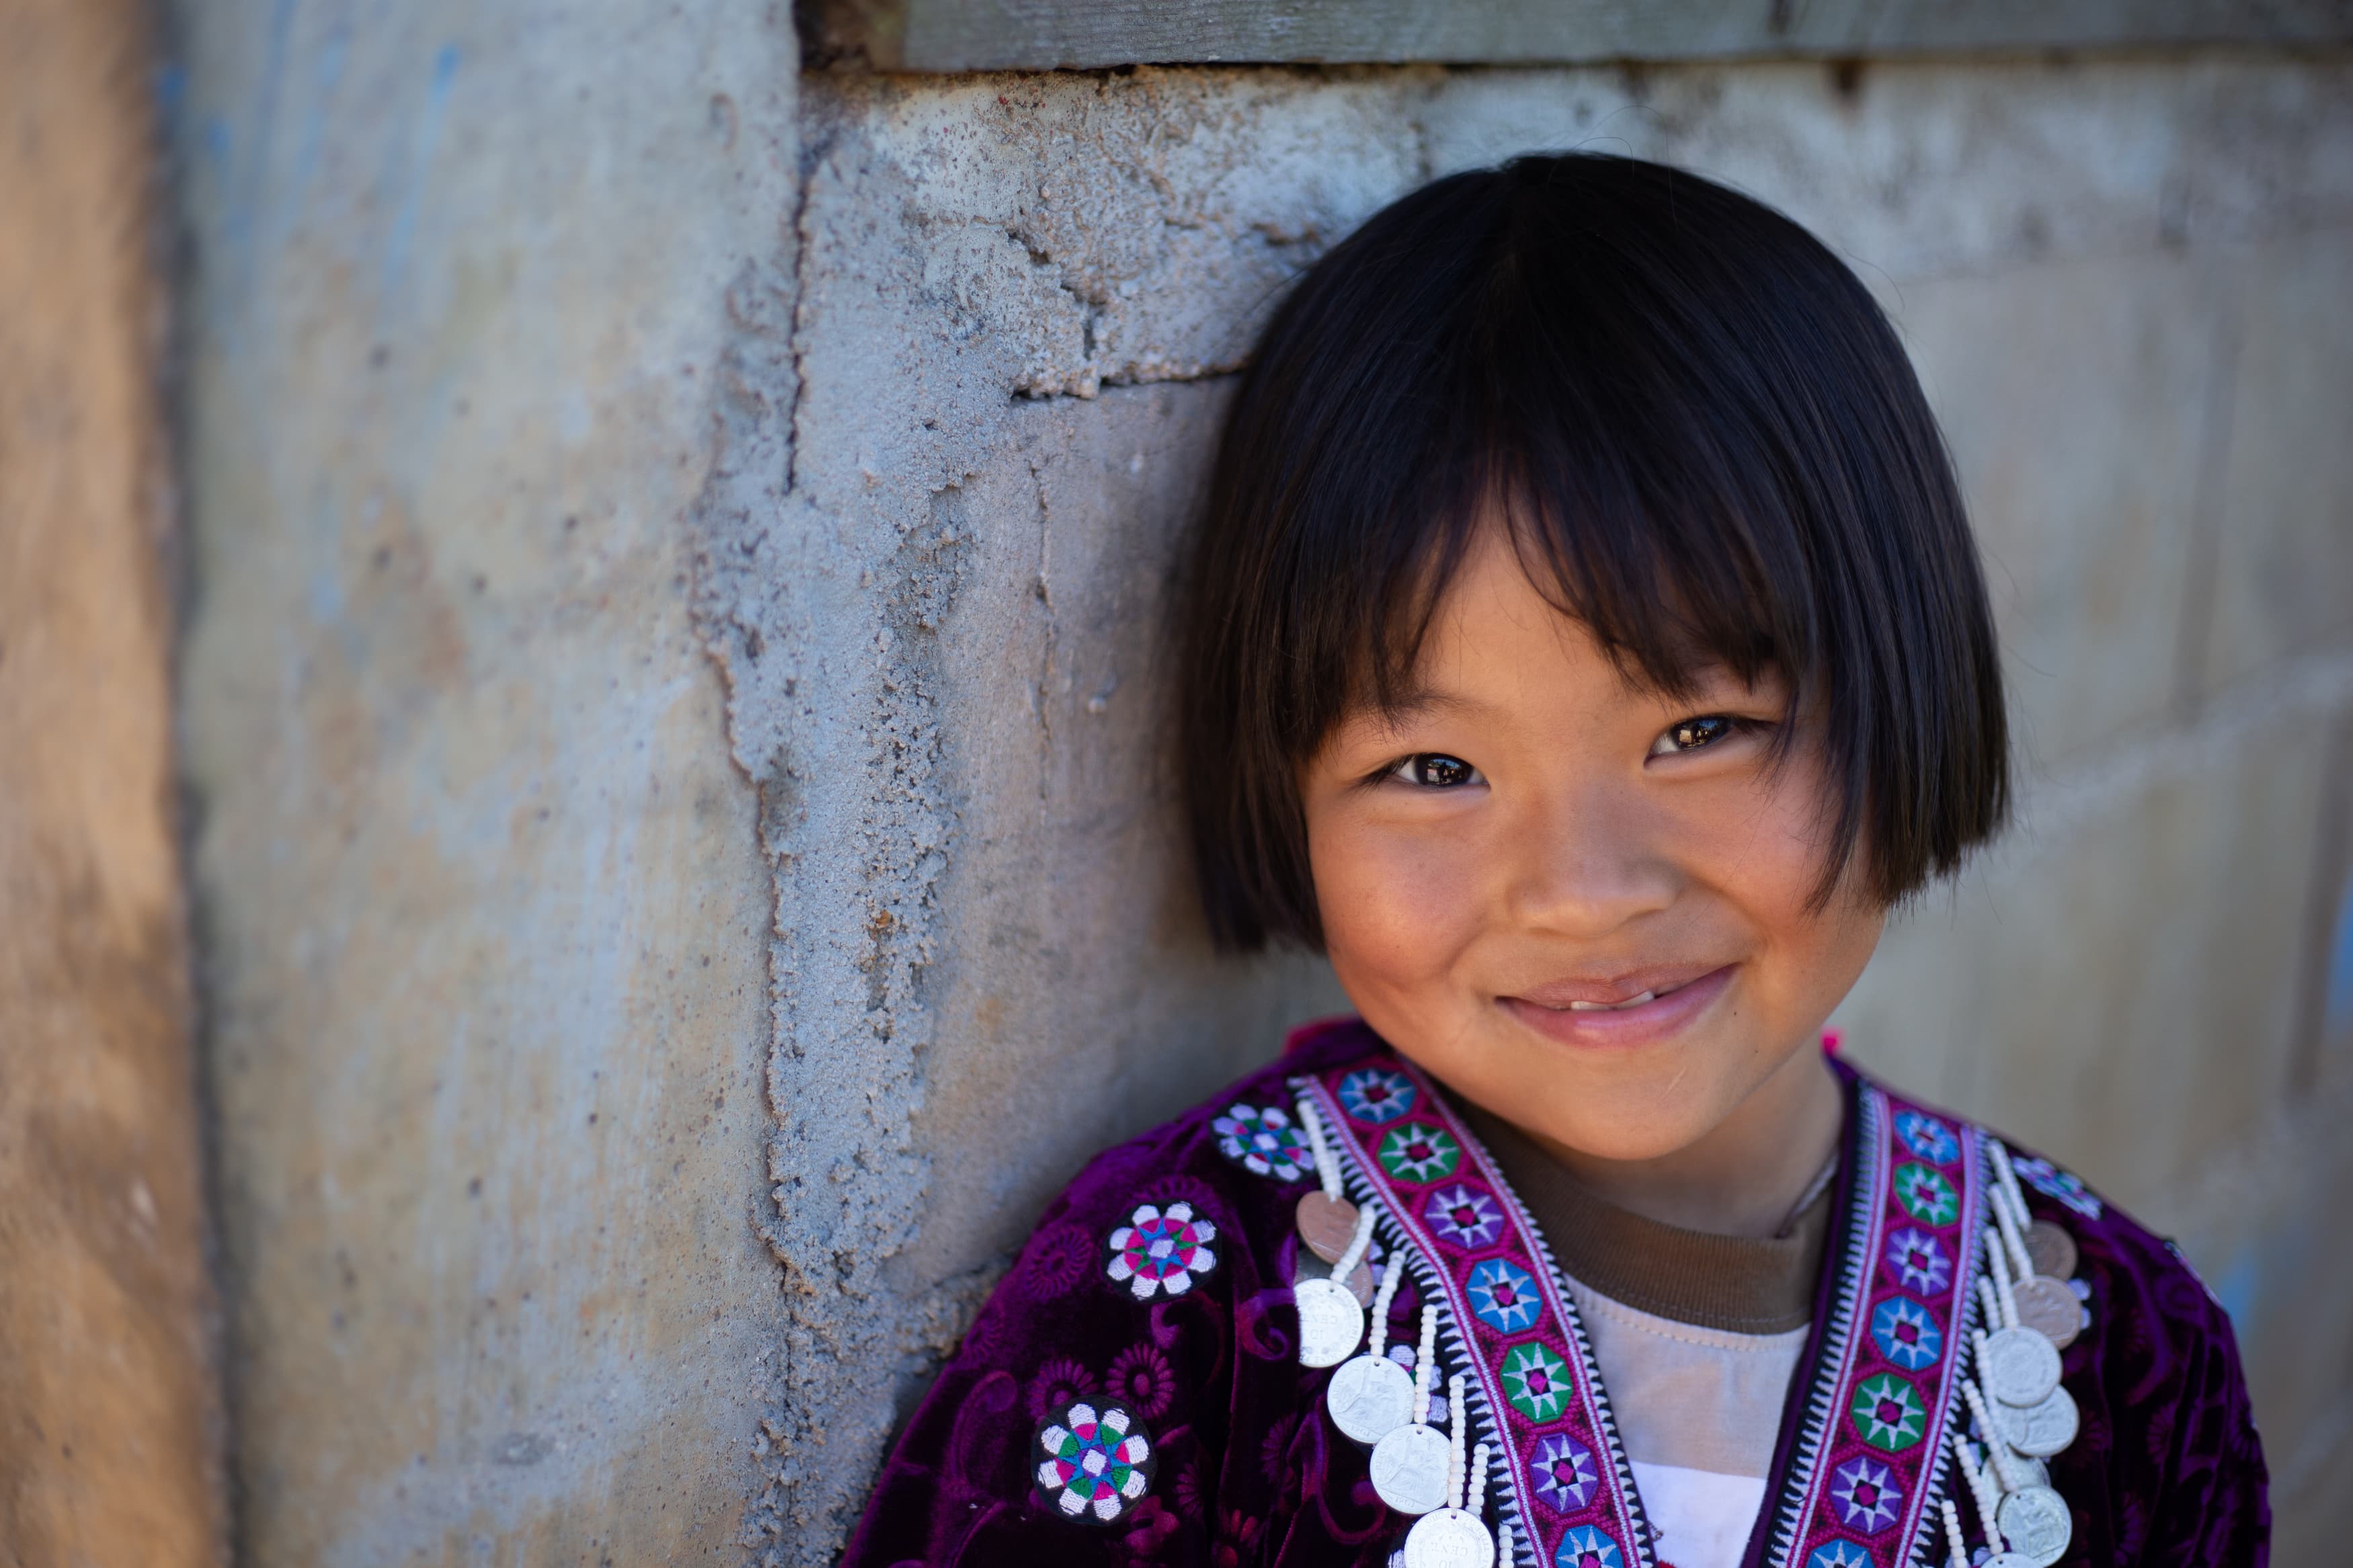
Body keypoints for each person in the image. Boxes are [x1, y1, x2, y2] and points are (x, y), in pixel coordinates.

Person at [840, 154, 2267, 1568]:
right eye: (1433, 771)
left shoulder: (2120, 1361)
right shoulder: (1180, 1302)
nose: (1583, 891)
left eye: (1700, 730)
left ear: (1911, 685)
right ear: (1282, 791)